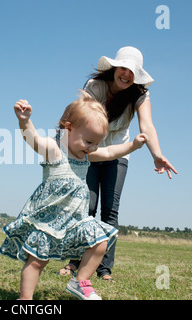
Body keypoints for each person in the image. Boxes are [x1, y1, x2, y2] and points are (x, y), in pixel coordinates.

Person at [0, 91, 148, 300]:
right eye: (88, 141)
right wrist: (25, 122)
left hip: (75, 222)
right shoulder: (55, 150)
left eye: (96, 142)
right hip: (48, 222)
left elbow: (108, 153)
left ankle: (79, 281)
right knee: (36, 262)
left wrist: (132, 145)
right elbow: (34, 141)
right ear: (68, 129)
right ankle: (25, 300)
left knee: (101, 242)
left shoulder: (88, 155)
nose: (92, 147)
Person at [59, 46, 177, 281]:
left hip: (119, 152)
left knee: (109, 211)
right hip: (90, 151)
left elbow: (147, 126)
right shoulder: (95, 86)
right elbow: (81, 117)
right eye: (123, 68)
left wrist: (156, 154)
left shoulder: (140, 94)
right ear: (114, 68)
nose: (126, 74)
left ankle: (104, 268)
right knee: (87, 207)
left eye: (132, 71)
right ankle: (75, 262)